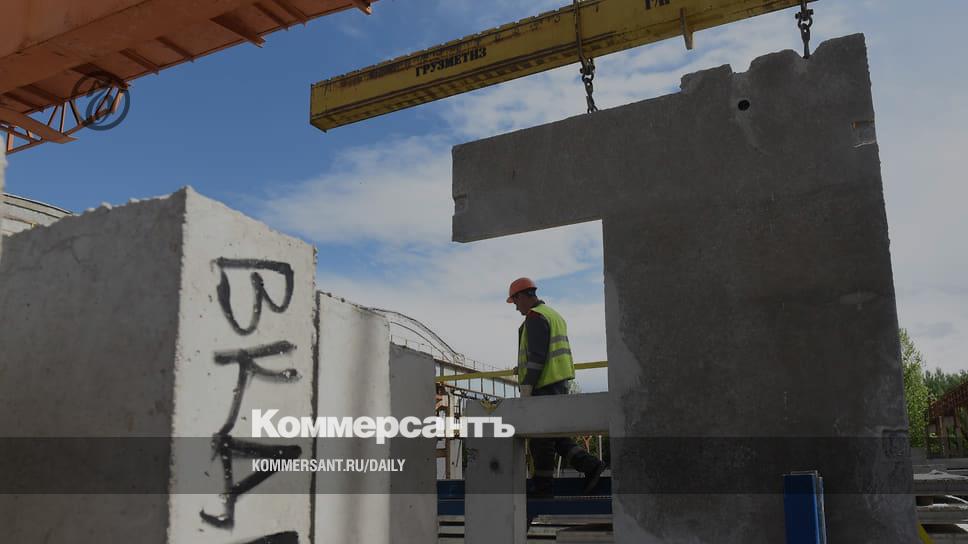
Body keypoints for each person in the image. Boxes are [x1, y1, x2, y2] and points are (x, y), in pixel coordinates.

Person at [507, 277, 606, 498]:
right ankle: (590, 465)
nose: (515, 307)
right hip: (559, 383)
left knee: (540, 438)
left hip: (544, 385)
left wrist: (527, 386)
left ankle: (542, 488)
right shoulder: (554, 315)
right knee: (556, 435)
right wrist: (521, 368)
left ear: (522, 296)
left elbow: (538, 356)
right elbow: (546, 352)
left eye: (515, 301)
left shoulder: (535, 317)